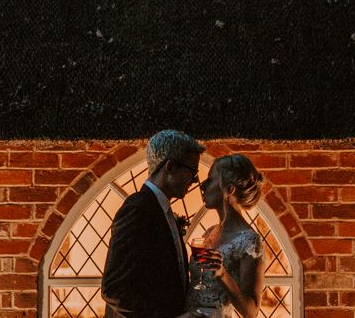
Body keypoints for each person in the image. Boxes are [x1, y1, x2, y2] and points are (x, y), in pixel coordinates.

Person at [101, 129, 205, 318]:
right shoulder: (138, 210)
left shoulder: (160, 209)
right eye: (192, 172)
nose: (195, 181)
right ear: (170, 167)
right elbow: (115, 289)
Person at [186, 154, 265, 318]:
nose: (203, 185)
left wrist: (222, 274)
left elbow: (251, 311)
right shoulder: (209, 232)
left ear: (229, 190)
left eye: (211, 179)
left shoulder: (250, 241)